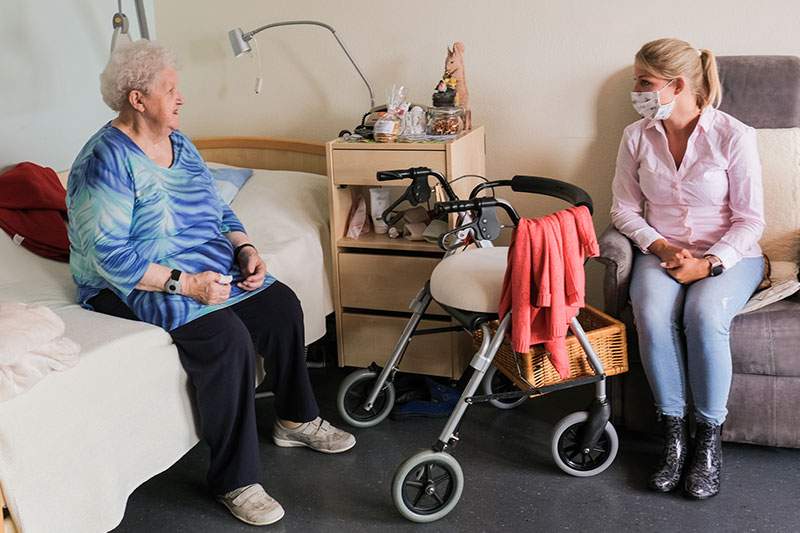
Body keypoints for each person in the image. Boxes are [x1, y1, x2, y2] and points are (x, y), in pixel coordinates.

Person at [66, 40, 355, 526]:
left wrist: (245, 249)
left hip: (196, 261)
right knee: (227, 339)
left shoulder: (179, 142)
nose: (181, 98)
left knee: (281, 304)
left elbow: (218, 210)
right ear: (137, 99)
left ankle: (295, 418)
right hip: (126, 282)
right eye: (171, 89)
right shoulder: (106, 160)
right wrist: (189, 285)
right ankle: (234, 479)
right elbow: (111, 256)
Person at [611, 38, 765, 499]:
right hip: (661, 254)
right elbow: (622, 209)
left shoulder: (733, 135)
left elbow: (751, 219)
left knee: (703, 316)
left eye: (644, 82)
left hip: (729, 256)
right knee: (652, 315)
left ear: (676, 85)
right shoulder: (635, 135)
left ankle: (709, 440)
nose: (636, 90)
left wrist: (709, 264)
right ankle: (674, 437)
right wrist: (661, 248)